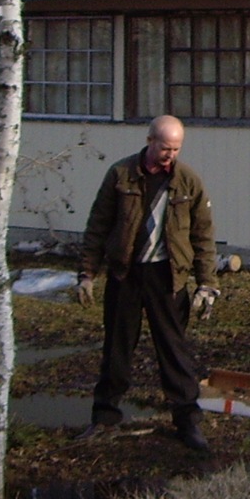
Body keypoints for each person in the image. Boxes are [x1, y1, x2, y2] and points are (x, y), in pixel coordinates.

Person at [74, 115, 220, 450]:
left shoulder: (187, 181)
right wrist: (87, 274)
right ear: (150, 140)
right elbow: (98, 226)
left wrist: (207, 283)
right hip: (126, 273)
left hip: (168, 276)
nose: (170, 154)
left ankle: (187, 421)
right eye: (165, 147)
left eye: (176, 148)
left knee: (174, 352)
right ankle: (105, 417)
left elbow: (203, 236)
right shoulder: (120, 174)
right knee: (117, 349)